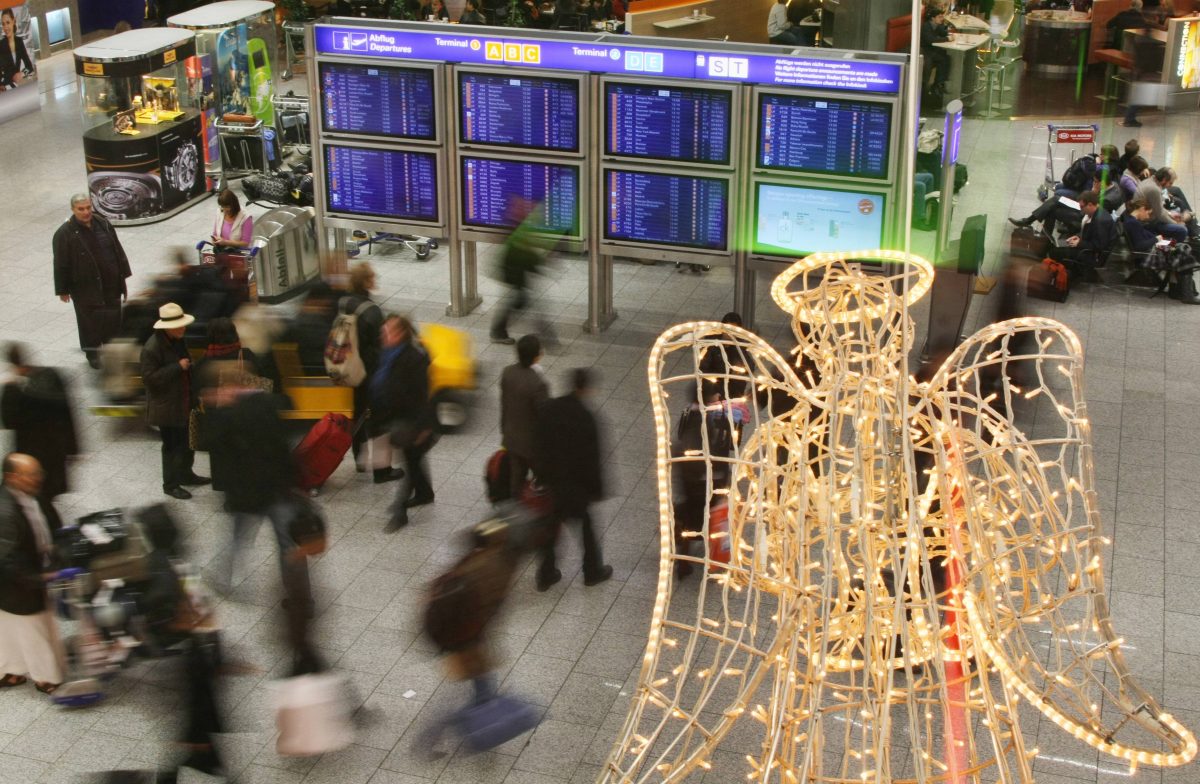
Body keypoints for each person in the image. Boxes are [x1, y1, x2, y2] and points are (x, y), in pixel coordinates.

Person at [197, 365, 318, 669]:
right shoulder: (265, 403)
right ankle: (296, 595)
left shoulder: (226, 414)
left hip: (248, 494)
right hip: (276, 489)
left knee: (242, 537)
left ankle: (223, 577)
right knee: (286, 544)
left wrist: (219, 408)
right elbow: (287, 421)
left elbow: (210, 443)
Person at [534, 368, 613, 592]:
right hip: (576, 487)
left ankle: (546, 574)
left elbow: (540, 445)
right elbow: (592, 458)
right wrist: (596, 489)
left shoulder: (550, 409)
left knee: (550, 528)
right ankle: (592, 571)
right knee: (586, 528)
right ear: (586, 388)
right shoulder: (586, 418)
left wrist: (540, 475)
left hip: (553, 483)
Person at [0, 454, 65, 695]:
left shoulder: (32, 494)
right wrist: (39, 579)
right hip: (16, 585)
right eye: (32, 474)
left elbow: (50, 522)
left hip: (29, 576)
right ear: (12, 477)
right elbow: (7, 559)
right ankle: (46, 677)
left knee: (14, 629)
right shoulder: (4, 512)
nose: (38, 479)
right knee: (34, 630)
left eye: (39, 473)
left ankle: (11, 670)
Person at [369, 315, 435, 532]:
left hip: (413, 423)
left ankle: (400, 512)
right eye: (383, 331)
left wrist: (423, 427)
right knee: (414, 462)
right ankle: (425, 493)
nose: (383, 335)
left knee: (411, 462)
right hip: (395, 418)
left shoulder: (413, 359)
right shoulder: (387, 354)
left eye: (388, 331)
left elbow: (423, 396)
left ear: (400, 334)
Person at [53, 193, 132, 369]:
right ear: (73, 210)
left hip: (110, 283)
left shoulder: (103, 223)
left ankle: (112, 349)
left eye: (88, 207)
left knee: (112, 318)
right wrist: (62, 289)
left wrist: (123, 273)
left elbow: (117, 248)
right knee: (90, 322)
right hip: (85, 288)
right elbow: (60, 264)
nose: (86, 212)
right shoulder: (64, 234)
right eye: (81, 209)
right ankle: (93, 352)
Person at [142, 302, 209, 500]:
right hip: (167, 407)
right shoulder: (152, 348)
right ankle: (170, 484)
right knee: (171, 446)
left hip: (184, 400)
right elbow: (150, 379)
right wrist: (177, 367)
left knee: (188, 442)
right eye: (179, 325)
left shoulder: (178, 340)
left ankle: (186, 474)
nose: (183, 328)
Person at [1, 345, 78, 501]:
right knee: (48, 490)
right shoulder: (53, 375)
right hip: (55, 448)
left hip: (32, 452)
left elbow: (8, 421)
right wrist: (74, 447)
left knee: (36, 492)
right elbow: (68, 412)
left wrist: (10, 389)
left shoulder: (19, 393)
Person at [341, 263, 384, 476]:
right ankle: (382, 469)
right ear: (366, 281)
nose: (375, 279)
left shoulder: (343, 301)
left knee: (358, 413)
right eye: (372, 277)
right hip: (370, 371)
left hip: (351, 366)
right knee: (378, 419)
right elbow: (380, 344)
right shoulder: (372, 311)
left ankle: (359, 458)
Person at [491, 199, 548, 345]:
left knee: (521, 300)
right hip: (514, 272)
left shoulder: (518, 227)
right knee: (521, 300)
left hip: (515, 272)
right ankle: (498, 332)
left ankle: (499, 331)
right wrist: (539, 264)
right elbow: (524, 254)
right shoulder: (520, 231)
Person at [500, 334, 549, 501]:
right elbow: (544, 416)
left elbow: (504, 403)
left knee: (516, 478)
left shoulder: (508, 372)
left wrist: (504, 428)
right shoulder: (538, 383)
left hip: (511, 436)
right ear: (537, 356)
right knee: (543, 477)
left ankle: (514, 510)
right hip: (532, 444)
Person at [1047, 191, 1117, 278]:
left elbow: (1099, 246)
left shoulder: (1100, 221)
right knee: (1056, 249)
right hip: (1087, 248)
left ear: (1090, 205)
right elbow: (1089, 235)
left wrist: (1080, 243)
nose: (1081, 210)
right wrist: (1078, 237)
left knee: (1054, 252)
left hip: (1091, 255)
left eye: (1082, 207)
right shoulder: (1095, 214)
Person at [1136, 168, 1190, 242]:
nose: (1170, 186)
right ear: (1164, 179)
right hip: (1147, 223)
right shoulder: (1154, 189)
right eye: (1170, 183)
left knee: (1176, 212)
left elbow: (1158, 208)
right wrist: (1176, 223)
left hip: (1149, 217)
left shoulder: (1150, 181)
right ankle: (1175, 249)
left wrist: (1170, 214)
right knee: (1183, 230)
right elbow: (1160, 214)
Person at [920, 7, 953, 102]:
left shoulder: (936, 25)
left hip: (932, 50)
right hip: (925, 51)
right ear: (932, 18)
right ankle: (930, 87)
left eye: (942, 16)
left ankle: (939, 84)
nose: (941, 18)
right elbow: (930, 40)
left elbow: (943, 33)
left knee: (945, 58)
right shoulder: (926, 26)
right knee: (942, 59)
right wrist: (947, 39)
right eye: (939, 17)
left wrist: (948, 34)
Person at [0, 9, 33, 89]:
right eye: (3, 24)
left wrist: (21, 74)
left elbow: (29, 67)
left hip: (16, 85)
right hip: (4, 87)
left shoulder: (19, 42)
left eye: (8, 23)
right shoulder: (1, 44)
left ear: (13, 21)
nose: (5, 27)